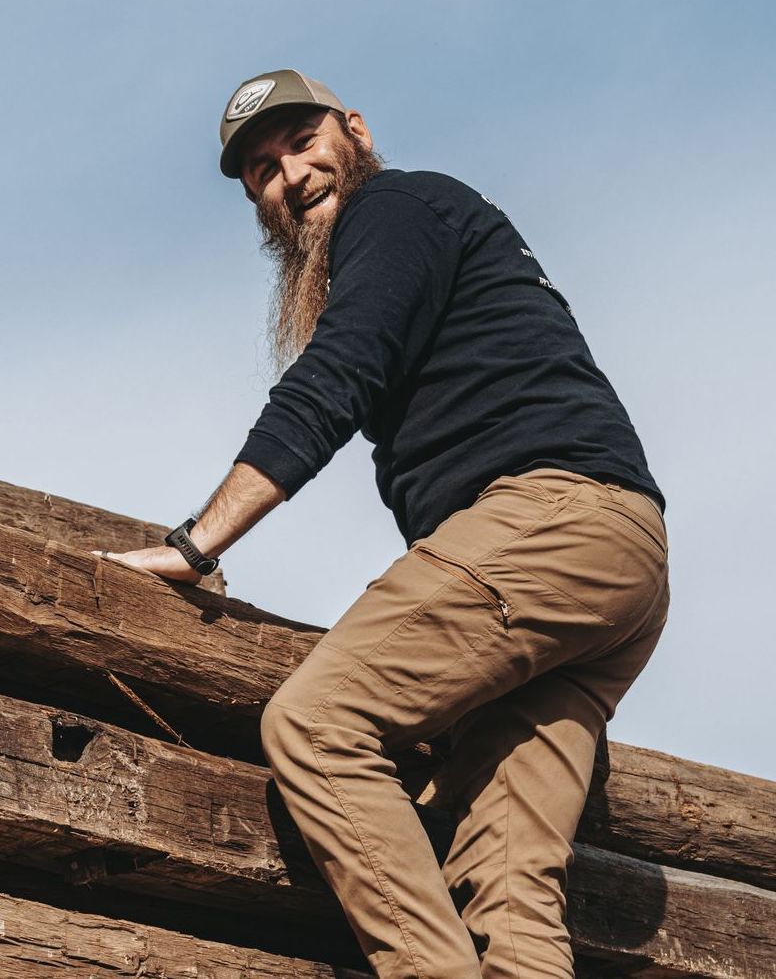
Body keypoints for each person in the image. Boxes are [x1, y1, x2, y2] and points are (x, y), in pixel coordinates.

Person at [103, 68, 670, 978]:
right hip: (617, 562)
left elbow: (337, 377)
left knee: (318, 724)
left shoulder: (398, 209)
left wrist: (194, 543)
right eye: (261, 168)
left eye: (301, 141)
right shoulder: (422, 234)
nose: (288, 173)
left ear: (354, 131)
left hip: (547, 523)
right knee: (508, 877)